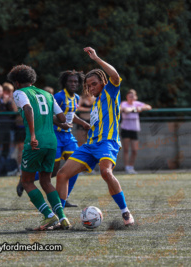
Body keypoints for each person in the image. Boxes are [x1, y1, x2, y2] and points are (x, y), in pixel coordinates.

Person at [56, 47, 135, 227]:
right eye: (89, 85)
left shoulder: (110, 92)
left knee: (106, 172)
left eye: (94, 84)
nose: (91, 88)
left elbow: (115, 75)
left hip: (107, 143)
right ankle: (60, 218)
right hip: (90, 146)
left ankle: (125, 212)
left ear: (103, 82)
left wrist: (97, 58)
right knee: (62, 175)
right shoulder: (96, 103)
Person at [8, 64, 70, 230]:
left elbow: (28, 109)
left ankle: (49, 216)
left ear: (16, 82)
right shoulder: (47, 94)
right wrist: (59, 124)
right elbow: (62, 118)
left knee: (27, 181)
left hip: (35, 142)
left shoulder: (19, 93)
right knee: (46, 181)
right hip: (51, 142)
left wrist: (33, 135)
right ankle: (62, 217)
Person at [16, 70, 90, 209]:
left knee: (76, 167)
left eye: (75, 82)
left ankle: (64, 197)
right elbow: (50, 114)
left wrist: (83, 123)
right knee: (53, 172)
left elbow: (70, 114)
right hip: (55, 135)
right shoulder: (59, 96)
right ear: (64, 83)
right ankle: (25, 180)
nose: (73, 84)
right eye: (70, 81)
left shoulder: (77, 98)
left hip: (68, 137)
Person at [120, 89, 152, 174]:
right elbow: (126, 110)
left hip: (134, 129)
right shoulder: (124, 103)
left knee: (134, 150)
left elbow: (148, 107)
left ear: (135, 97)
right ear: (127, 97)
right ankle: (126, 167)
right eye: (129, 96)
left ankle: (131, 167)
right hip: (126, 129)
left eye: (132, 96)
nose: (131, 98)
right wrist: (135, 109)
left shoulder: (137, 103)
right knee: (126, 149)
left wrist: (140, 108)